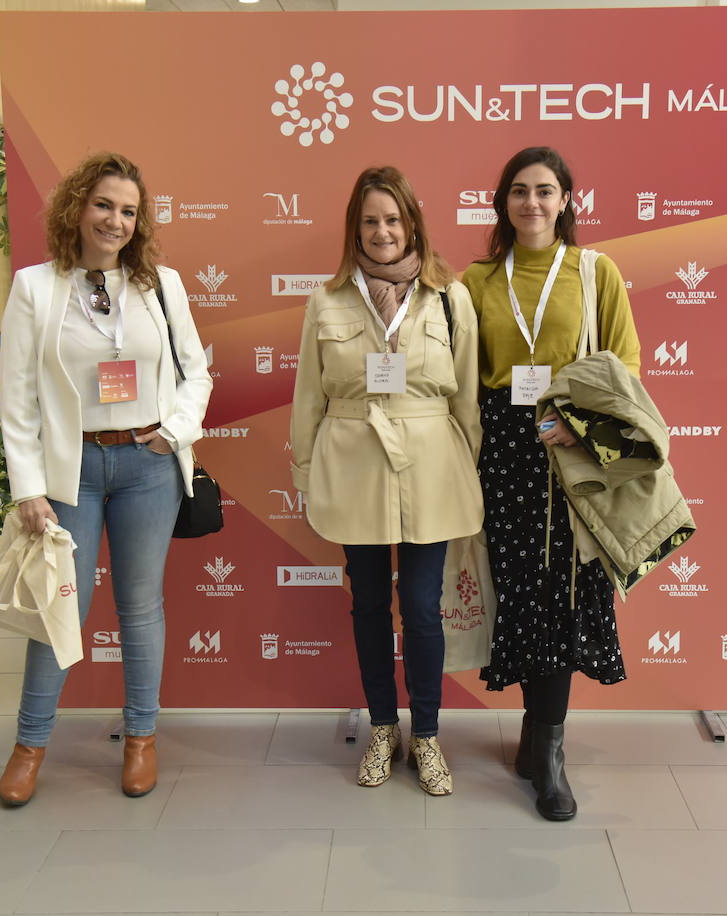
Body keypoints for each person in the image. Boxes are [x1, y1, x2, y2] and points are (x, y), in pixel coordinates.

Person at [0, 152, 211, 806]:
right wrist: (27, 487)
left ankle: (141, 739)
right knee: (58, 608)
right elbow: (17, 397)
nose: (115, 221)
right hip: (72, 472)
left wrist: (174, 432)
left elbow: (196, 373)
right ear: (77, 209)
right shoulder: (35, 287)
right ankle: (30, 745)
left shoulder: (162, 285)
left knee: (141, 607)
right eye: (103, 205)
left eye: (128, 210)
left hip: (148, 468)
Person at [290, 166, 482, 796]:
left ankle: (426, 734)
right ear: (355, 229)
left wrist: (469, 468)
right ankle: (382, 727)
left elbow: (469, 397)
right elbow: (308, 396)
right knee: (369, 604)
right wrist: (303, 467)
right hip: (353, 465)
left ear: (411, 224)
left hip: (430, 467)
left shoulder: (449, 298)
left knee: (423, 608)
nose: (382, 232)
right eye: (370, 221)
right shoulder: (327, 300)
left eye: (393, 219)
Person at [462, 146, 641, 821]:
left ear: (566, 198)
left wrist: (576, 420)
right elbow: (461, 373)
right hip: (503, 450)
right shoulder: (478, 280)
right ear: (502, 203)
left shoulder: (596, 272)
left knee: (565, 592)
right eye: (518, 191)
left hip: (574, 446)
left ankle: (550, 752)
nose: (530, 203)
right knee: (522, 590)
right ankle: (536, 740)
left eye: (544, 190)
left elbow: (625, 362)